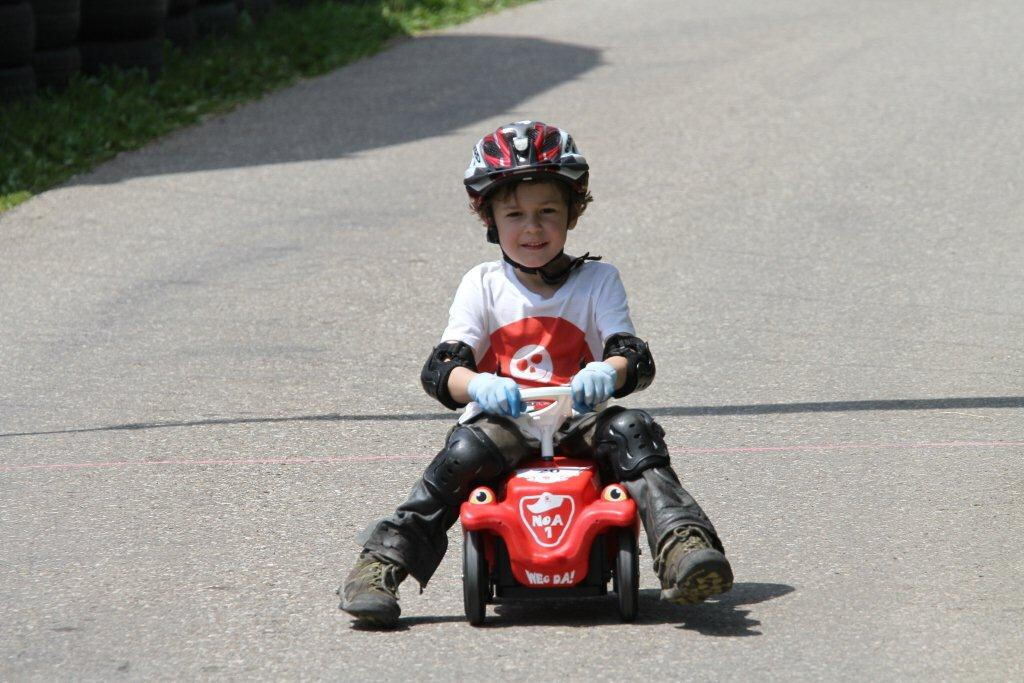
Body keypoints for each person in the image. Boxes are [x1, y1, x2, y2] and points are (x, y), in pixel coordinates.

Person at [339, 120, 732, 628]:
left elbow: (630, 352)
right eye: (515, 214)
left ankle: (683, 545)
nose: (532, 228)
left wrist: (606, 374)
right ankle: (380, 565)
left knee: (632, 429)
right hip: (507, 420)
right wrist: (477, 384)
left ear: (573, 213)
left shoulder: (598, 280)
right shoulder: (481, 285)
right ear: (490, 219)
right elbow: (443, 368)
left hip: (578, 416)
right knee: (462, 454)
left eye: (548, 211)